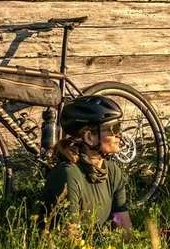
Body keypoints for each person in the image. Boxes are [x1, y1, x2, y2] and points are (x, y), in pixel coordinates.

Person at [42, 95, 133, 230]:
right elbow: (69, 235)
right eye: (114, 129)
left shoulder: (113, 171)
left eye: (119, 127)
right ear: (89, 137)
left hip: (98, 242)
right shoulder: (68, 174)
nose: (119, 134)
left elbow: (123, 224)